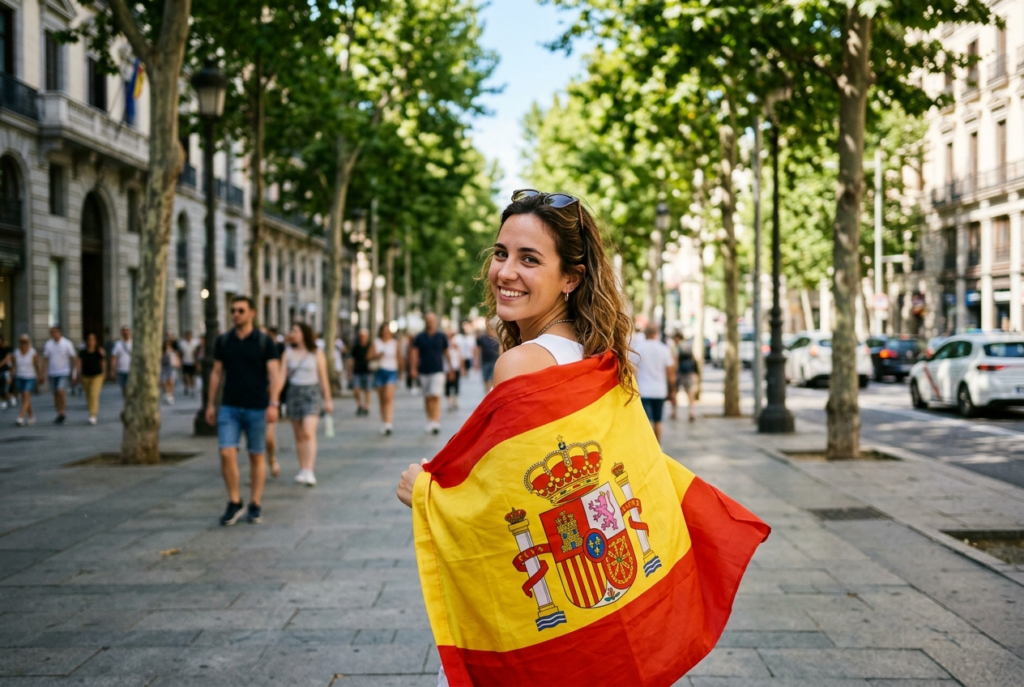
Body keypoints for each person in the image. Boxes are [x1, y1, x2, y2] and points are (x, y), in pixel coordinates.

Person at [205, 296, 282, 526]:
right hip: (229, 407)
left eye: (240, 310)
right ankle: (234, 501)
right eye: (233, 310)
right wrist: (210, 404)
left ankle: (255, 503)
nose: (235, 314)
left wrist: (274, 403)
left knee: (256, 455)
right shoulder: (224, 341)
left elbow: (274, 374)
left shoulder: (264, 341)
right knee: (227, 453)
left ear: (252, 313)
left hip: (257, 407)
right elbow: (217, 372)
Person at [282, 322, 333, 486]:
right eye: (291, 330)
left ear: (304, 333)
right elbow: (281, 377)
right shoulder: (287, 353)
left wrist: (328, 399)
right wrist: (274, 399)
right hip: (294, 393)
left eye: (295, 330)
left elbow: (323, 378)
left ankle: (310, 470)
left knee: (308, 432)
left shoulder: (316, 353)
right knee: (298, 435)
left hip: (311, 393)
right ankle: (303, 468)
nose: (292, 333)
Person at [632, 323, 677, 444]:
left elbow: (632, 370)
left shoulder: (638, 348)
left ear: (645, 334)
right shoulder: (664, 349)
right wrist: (672, 390)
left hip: (643, 390)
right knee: (658, 421)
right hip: (659, 390)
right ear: (656, 333)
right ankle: (658, 447)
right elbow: (670, 372)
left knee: (647, 422)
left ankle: (649, 447)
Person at [410, 313, 449, 435]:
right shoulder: (420, 337)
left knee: (436, 395)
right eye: (428, 320)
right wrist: (413, 368)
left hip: (438, 369)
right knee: (427, 397)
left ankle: (435, 422)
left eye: (432, 320)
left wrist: (452, 367)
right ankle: (430, 420)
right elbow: (414, 353)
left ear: (435, 321)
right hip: (424, 370)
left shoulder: (441, 336)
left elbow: (446, 352)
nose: (430, 322)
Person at [371, 323, 402, 435]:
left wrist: (401, 371)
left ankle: (389, 423)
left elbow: (398, 357)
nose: (385, 332)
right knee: (382, 399)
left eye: (387, 330)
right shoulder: (376, 342)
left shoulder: (394, 343)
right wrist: (377, 355)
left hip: (391, 371)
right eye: (383, 330)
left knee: (388, 398)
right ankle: (384, 422)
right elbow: (368, 356)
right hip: (379, 371)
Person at [263, 326, 284, 479]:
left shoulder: (273, 351)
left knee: (268, 437)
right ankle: (256, 469)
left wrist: (274, 401)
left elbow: (276, 376)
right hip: (250, 399)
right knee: (254, 438)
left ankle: (271, 458)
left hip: (268, 398)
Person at [43, 325, 76, 424]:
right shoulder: (48, 344)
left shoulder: (67, 343)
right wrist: (42, 373)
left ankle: (62, 412)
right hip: (52, 372)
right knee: (55, 394)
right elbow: (45, 359)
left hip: (64, 372)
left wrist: (75, 372)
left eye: (54, 331)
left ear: (59, 332)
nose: (53, 334)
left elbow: (73, 358)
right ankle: (59, 413)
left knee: (60, 391)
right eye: (51, 332)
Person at [77, 333, 106, 425]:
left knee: (94, 393)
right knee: (89, 395)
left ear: (96, 341)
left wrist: (105, 373)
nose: (91, 341)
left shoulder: (99, 351)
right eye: (89, 339)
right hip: (86, 376)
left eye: (93, 339)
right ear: (87, 341)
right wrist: (77, 374)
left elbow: (103, 362)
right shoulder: (83, 352)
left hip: (97, 375)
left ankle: (92, 415)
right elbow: (79, 363)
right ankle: (93, 410)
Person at [13, 335, 41, 426]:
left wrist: (39, 375)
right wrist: (11, 375)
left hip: (30, 377)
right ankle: (31, 416)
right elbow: (14, 366)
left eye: (25, 342)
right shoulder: (16, 353)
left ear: (28, 343)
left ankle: (20, 417)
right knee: (24, 398)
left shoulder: (33, 353)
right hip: (19, 376)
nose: (23, 345)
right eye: (22, 343)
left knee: (26, 395)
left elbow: (36, 365)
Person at [349, 329, 372, 416]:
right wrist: (350, 371)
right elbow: (352, 359)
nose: (362, 338)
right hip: (357, 371)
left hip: (367, 371)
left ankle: (367, 406)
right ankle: (359, 405)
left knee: (367, 389)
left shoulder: (370, 346)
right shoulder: (356, 347)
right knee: (356, 389)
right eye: (361, 336)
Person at [677, 337, 699, 422]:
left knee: (677, 392)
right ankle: (691, 411)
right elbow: (695, 363)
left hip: (681, 374)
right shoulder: (690, 351)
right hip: (689, 374)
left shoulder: (679, 349)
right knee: (691, 394)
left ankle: (675, 412)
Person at [476, 321, 500, 393]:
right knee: (486, 378)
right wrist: (476, 360)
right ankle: (487, 392)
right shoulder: (482, 338)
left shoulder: (497, 338)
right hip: (485, 360)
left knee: (491, 378)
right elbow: (478, 349)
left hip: (494, 360)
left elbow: (500, 349)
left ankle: (490, 392)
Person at [110, 326, 133, 397]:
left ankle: (130, 403)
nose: (126, 332)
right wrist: (112, 370)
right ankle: (127, 403)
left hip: (132, 370)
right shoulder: (118, 344)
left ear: (130, 332)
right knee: (123, 388)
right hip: (121, 370)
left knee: (129, 387)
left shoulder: (134, 343)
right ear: (121, 333)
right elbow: (114, 358)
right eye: (124, 331)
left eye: (127, 330)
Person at [443, 330, 462, 411]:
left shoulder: (455, 344)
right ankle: (450, 402)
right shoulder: (444, 345)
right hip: (446, 368)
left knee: (456, 384)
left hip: (455, 367)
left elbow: (459, 356)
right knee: (448, 385)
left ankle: (454, 401)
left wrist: (461, 366)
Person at [160, 337, 179, 405]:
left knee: (171, 381)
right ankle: (167, 393)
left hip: (171, 368)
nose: (167, 345)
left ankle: (171, 396)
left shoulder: (173, 352)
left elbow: (177, 360)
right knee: (164, 382)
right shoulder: (161, 352)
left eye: (169, 344)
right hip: (164, 368)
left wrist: (176, 364)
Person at [179, 331, 198, 397]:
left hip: (192, 362)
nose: (188, 338)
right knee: (186, 376)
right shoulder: (182, 344)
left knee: (192, 376)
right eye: (186, 336)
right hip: (185, 362)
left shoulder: (195, 343)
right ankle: (187, 386)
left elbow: (197, 352)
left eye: (189, 336)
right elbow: (180, 353)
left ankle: (192, 388)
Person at [0, 335, 12, 410]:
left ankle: (7, 398)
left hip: (5, 370)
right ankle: (2, 400)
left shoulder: (5, 348)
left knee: (5, 387)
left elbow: (8, 358)